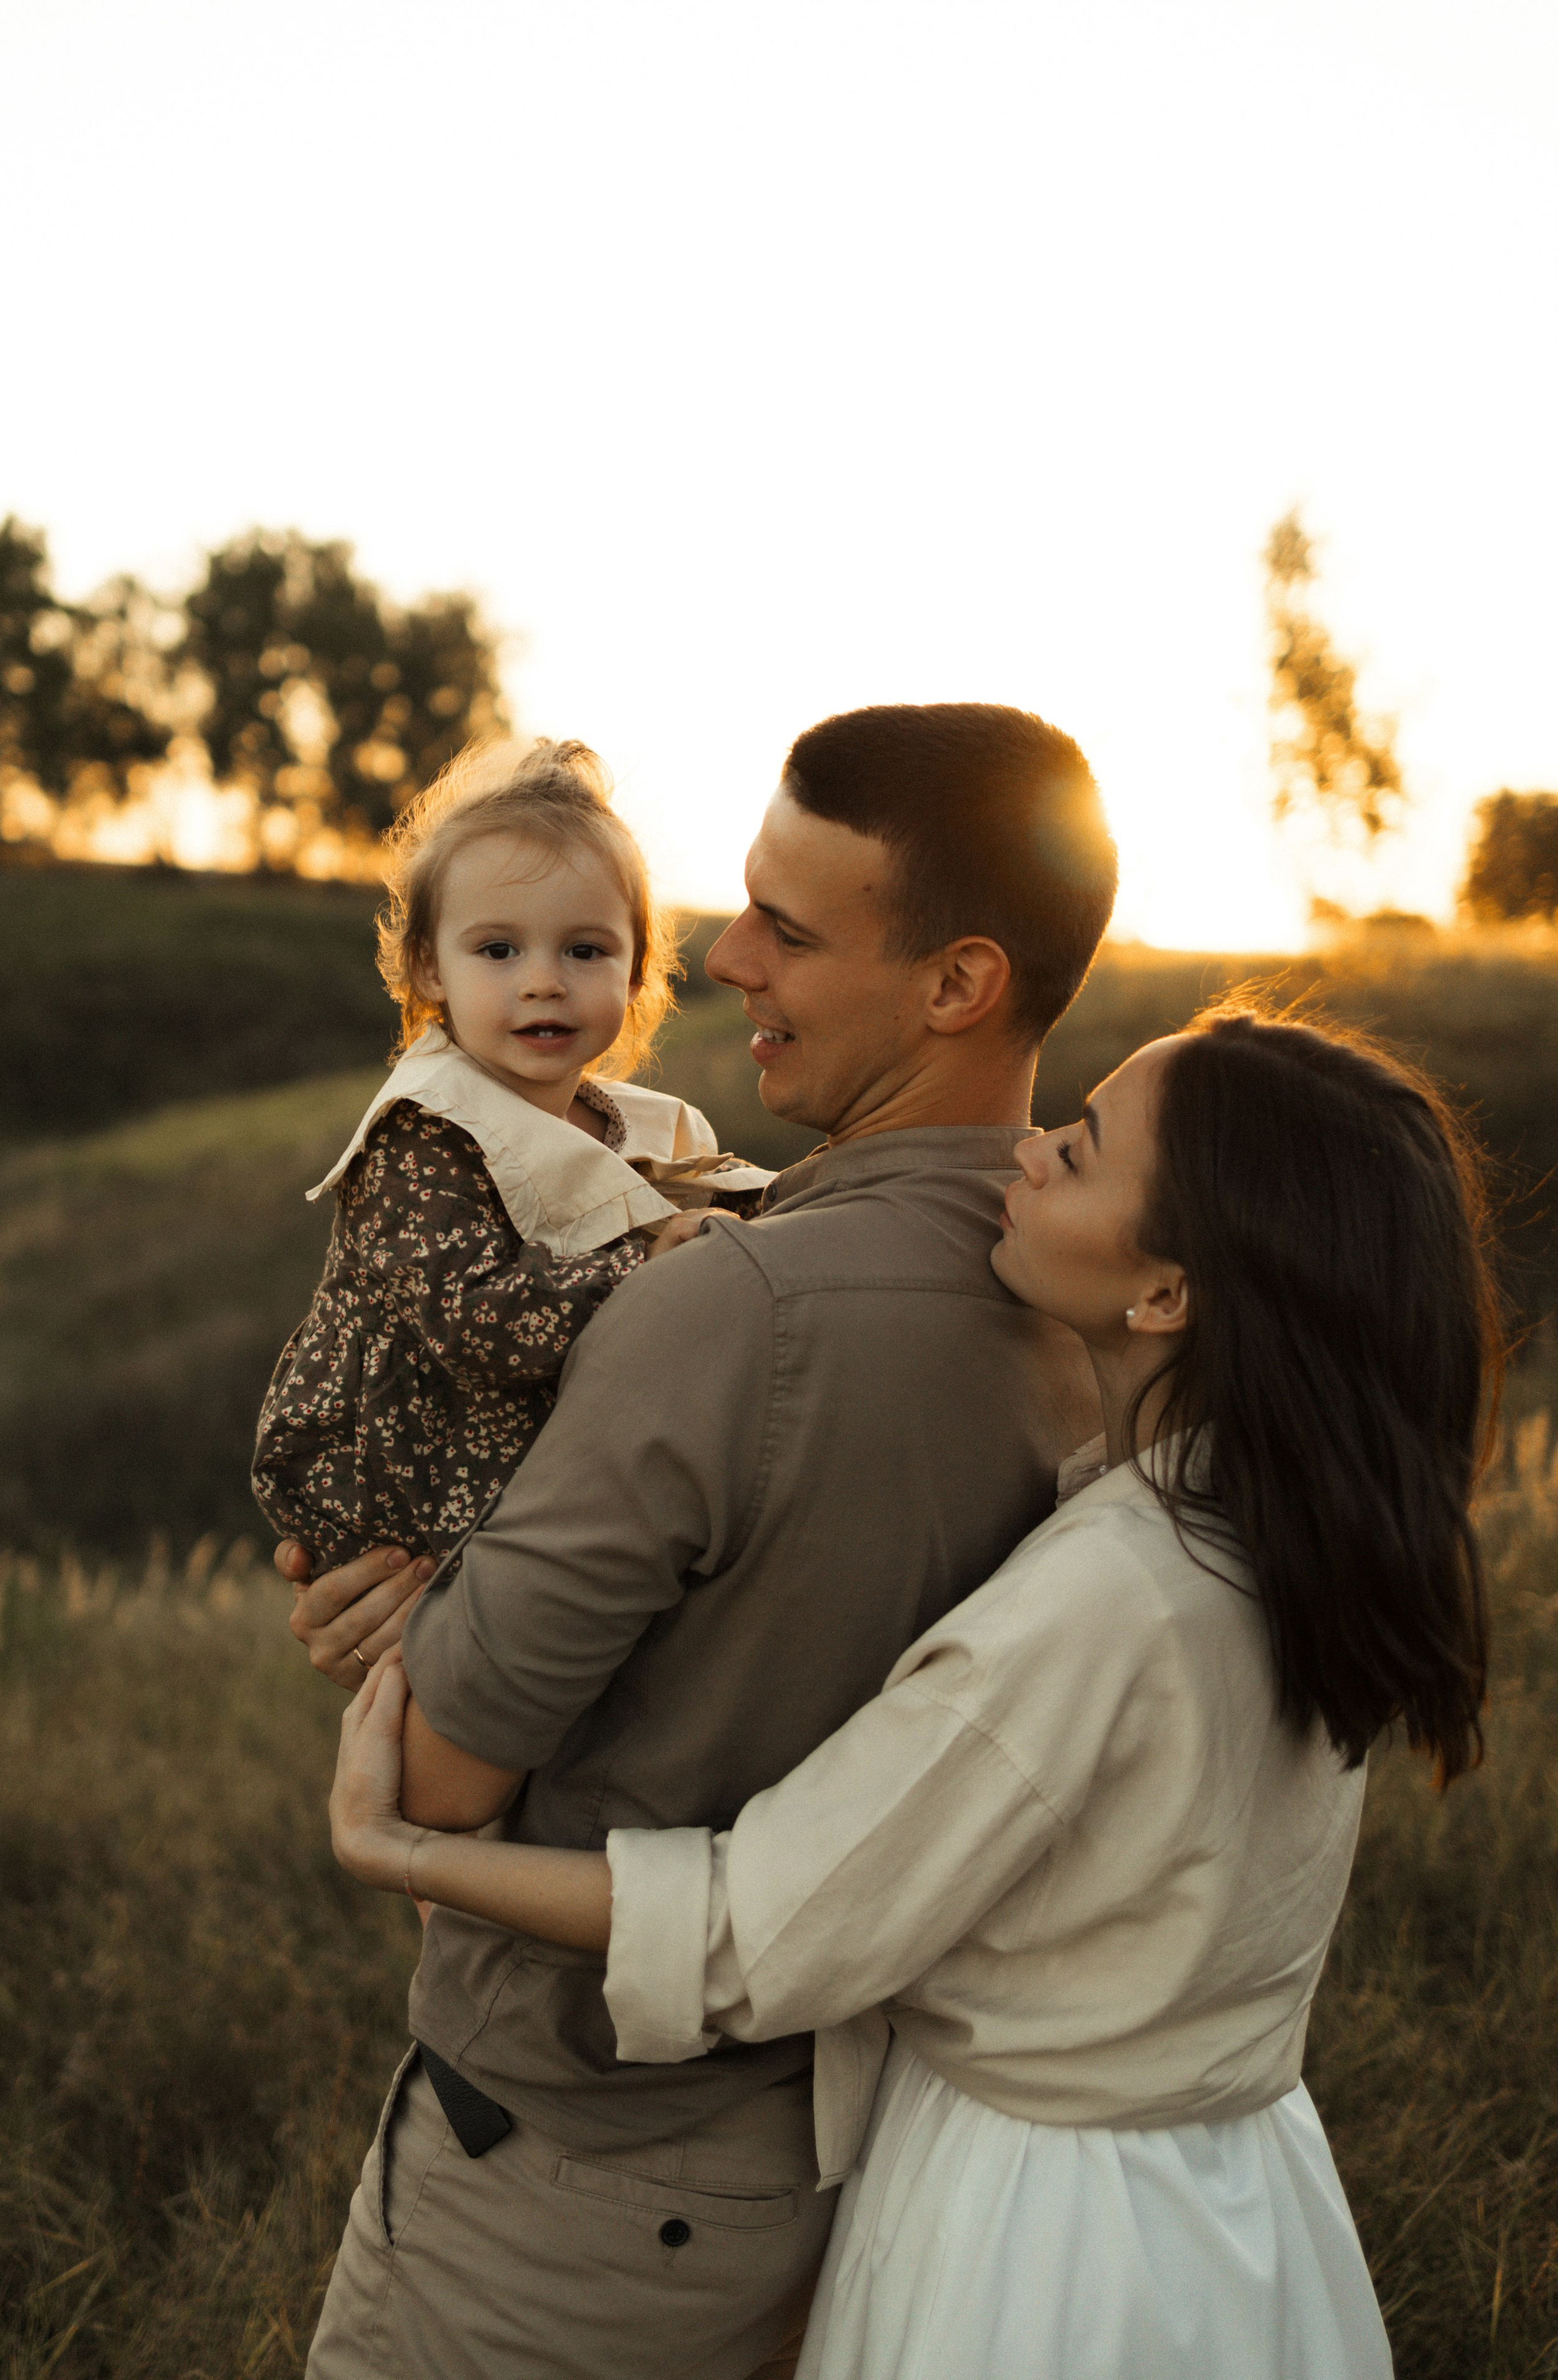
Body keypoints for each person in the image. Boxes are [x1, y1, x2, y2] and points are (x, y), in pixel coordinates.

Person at [330, 1005, 1498, 2380]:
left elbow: (753, 1929)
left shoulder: (1114, 1592)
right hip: (1239, 2207)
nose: (1026, 1153)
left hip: (1044, 2242)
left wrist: (399, 1849)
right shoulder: (1292, 1543)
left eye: (1077, 1147)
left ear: (1169, 1292)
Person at [281, 702, 1119, 2378]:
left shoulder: (723, 1308)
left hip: (566, 2195)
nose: (724, 957)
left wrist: (420, 1609)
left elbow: (440, 1780)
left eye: (788, 930)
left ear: (956, 984)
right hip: (861, 2153)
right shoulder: (1098, 1306)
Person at [253, 734, 768, 1574]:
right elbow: (469, 1320)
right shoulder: (424, 1135)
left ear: (636, 971)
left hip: (508, 1465)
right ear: (429, 967)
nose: (543, 981)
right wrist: (645, 1269)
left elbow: (698, 1213)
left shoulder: (635, 1128)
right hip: (397, 1466)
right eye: (498, 950)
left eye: (586, 950)